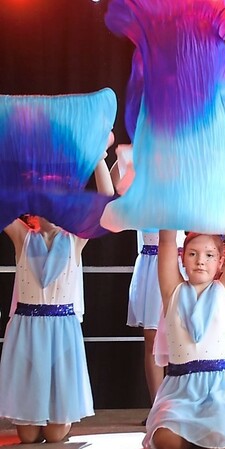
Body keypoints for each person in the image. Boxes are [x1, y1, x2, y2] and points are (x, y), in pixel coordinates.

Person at [0, 155, 114, 443]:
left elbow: (107, 201)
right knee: (27, 436)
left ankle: (60, 415)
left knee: (54, 435)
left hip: (62, 331)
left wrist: (100, 157)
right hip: (27, 330)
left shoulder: (75, 238)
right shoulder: (22, 237)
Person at [144, 230, 225, 449]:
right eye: (192, 254)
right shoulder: (172, 292)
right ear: (182, 258)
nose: (201, 261)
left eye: (210, 255)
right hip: (180, 392)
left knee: (223, 439)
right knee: (165, 440)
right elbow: (166, 240)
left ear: (222, 262)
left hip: (222, 392)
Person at [110, 147, 185, 423]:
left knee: (179, 338)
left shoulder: (181, 175)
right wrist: (124, 155)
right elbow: (115, 184)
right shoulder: (141, 177)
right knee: (152, 339)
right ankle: (157, 408)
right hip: (149, 262)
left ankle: (179, 405)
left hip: (177, 261)